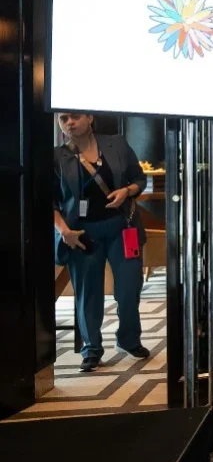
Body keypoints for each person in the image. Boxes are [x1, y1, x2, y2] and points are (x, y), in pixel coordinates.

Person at [53, 113, 149, 372]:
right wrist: (64, 231)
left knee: (130, 287)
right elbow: (48, 201)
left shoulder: (116, 144)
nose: (69, 123)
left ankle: (129, 339)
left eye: (74, 116)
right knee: (88, 294)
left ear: (90, 118)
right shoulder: (57, 156)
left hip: (123, 228)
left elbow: (140, 179)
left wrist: (126, 191)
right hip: (82, 234)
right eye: (63, 119)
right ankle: (92, 349)